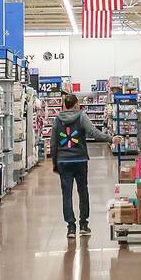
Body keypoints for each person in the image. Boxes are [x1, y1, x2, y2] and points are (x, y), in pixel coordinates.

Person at [51, 93, 110, 238]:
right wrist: (111, 138)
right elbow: (94, 133)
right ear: (76, 104)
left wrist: (55, 162)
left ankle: (71, 227)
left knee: (67, 194)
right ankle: (84, 225)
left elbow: (53, 143)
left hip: (63, 161)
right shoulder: (82, 116)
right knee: (83, 192)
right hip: (79, 160)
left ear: (65, 105)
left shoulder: (57, 120)